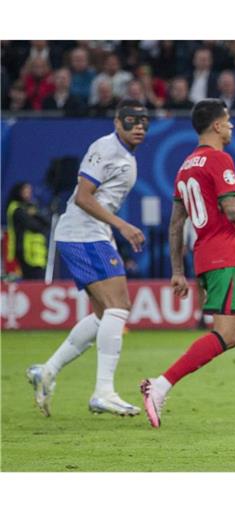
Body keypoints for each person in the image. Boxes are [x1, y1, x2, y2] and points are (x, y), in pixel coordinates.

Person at [140, 99, 235, 428]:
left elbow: (176, 224)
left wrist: (178, 270)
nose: (233, 126)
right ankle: (160, 385)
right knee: (227, 334)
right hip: (224, 255)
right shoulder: (219, 159)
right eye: (229, 121)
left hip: (210, 256)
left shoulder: (185, 166)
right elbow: (233, 211)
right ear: (217, 126)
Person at [26, 99, 149, 417]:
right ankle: (104, 392)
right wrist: (122, 226)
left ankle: (47, 370)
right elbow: (82, 197)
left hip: (93, 235)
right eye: (132, 120)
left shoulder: (124, 155)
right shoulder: (105, 148)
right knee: (119, 307)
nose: (139, 127)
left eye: (144, 122)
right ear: (117, 122)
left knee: (101, 315)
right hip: (84, 234)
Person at [5, 182, 49, 279]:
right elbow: (33, 226)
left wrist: (35, 214)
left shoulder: (30, 207)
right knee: (30, 278)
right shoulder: (16, 208)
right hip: (24, 250)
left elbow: (46, 223)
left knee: (37, 278)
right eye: (26, 191)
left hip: (36, 252)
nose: (28, 194)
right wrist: (36, 217)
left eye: (29, 191)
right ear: (19, 192)